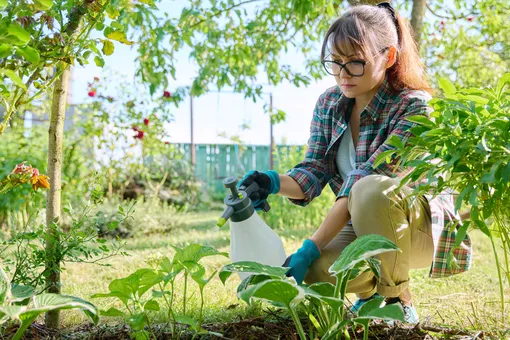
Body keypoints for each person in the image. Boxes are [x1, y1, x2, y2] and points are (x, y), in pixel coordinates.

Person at [238, 2, 472, 324]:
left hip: (417, 228)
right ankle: (371, 296)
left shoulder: (415, 107)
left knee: (368, 188)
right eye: (334, 62)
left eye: (355, 63)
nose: (342, 74)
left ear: (388, 57)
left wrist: (310, 245)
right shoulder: (329, 103)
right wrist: (272, 182)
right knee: (321, 268)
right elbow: (315, 169)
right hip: (364, 221)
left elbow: (365, 180)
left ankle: (397, 302)